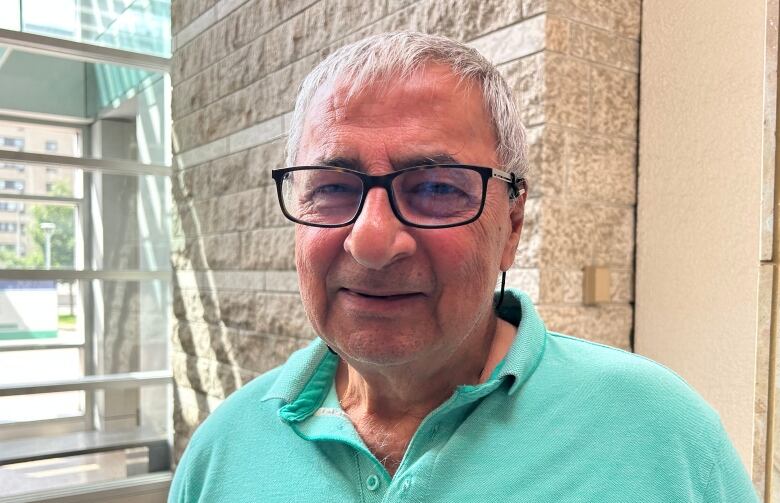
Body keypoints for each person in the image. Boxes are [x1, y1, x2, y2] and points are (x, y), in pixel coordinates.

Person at [169, 31, 759, 502]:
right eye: (332, 187)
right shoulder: (225, 450)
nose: (372, 241)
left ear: (513, 225)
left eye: (435, 188)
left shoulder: (659, 436)